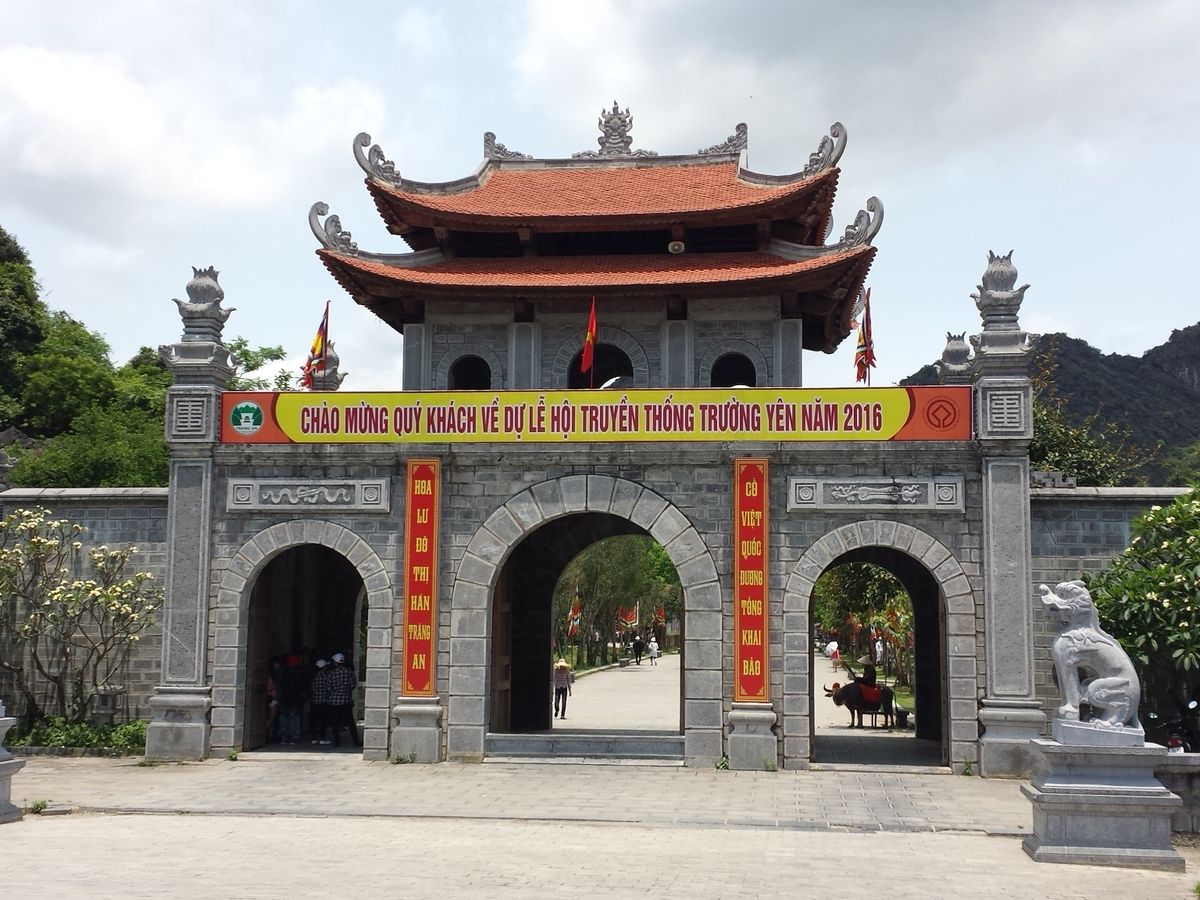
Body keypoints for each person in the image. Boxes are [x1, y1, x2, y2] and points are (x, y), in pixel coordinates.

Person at [326, 651, 360, 747]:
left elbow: (328, 686)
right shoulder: (349, 672)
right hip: (346, 700)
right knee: (350, 722)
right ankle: (355, 741)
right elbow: (353, 684)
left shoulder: (332, 673)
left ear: (335, 662)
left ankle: (336, 742)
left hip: (334, 701)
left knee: (335, 723)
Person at [276, 654, 307, 745]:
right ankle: (293, 737)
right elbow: (301, 685)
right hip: (294, 698)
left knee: (283, 717)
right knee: (294, 718)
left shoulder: (282, 671)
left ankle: (284, 737)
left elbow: (280, 684)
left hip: (283, 698)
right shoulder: (297, 672)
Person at [309, 658, 331, 745]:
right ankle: (322, 738)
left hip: (315, 701)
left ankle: (314, 738)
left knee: (315, 720)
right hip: (323, 701)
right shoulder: (325, 676)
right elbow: (329, 687)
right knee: (323, 721)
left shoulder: (314, 676)